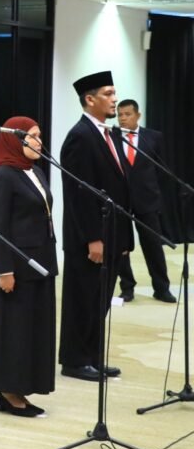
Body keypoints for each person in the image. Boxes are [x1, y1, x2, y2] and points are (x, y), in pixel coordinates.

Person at [59, 71, 133, 381]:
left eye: (114, 93)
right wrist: (93, 238)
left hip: (112, 233)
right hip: (89, 238)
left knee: (100, 300)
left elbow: (119, 186)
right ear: (90, 99)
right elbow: (80, 193)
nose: (115, 99)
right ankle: (74, 360)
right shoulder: (80, 136)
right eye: (108, 93)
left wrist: (124, 238)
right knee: (83, 299)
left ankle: (91, 355)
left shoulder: (108, 133)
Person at [0, 117, 58, 417]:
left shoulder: (36, 171)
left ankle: (24, 388)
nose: (39, 142)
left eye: (40, 136)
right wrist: (4, 270)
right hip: (17, 267)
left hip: (42, 262)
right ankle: (8, 393)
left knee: (35, 330)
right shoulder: (4, 176)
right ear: (15, 140)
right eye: (32, 136)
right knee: (15, 330)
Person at [116, 99, 175, 303]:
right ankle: (127, 287)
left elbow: (161, 169)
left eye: (127, 114)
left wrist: (154, 193)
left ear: (138, 115)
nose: (123, 118)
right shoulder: (112, 137)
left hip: (148, 200)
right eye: (120, 115)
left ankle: (161, 288)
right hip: (121, 200)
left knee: (153, 245)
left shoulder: (153, 137)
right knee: (122, 246)